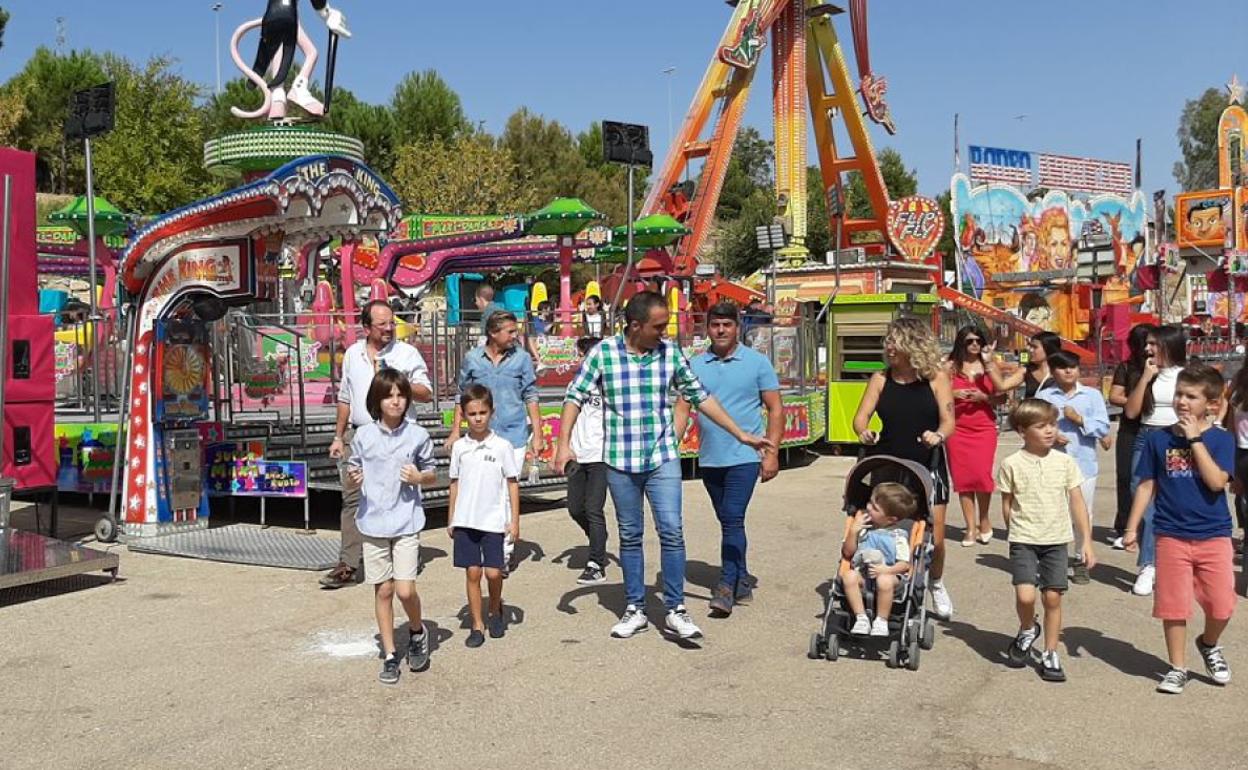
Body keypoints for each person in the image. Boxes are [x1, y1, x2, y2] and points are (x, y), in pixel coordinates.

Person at [553, 291, 774, 641]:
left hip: (661, 458)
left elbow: (700, 396)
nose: (664, 332)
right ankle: (635, 608)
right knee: (630, 535)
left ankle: (675, 609)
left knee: (671, 531)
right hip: (620, 462)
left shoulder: (669, 354)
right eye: (658, 326)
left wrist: (741, 434)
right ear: (636, 325)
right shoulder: (604, 354)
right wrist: (563, 444)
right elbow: (574, 396)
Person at [1124, 364, 1235, 694]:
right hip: (1170, 534)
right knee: (1173, 605)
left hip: (1213, 534)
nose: (1182, 401)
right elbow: (1146, 486)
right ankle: (1177, 667)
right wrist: (1131, 528)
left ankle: (1209, 643)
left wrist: (1195, 439)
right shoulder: (1159, 439)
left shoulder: (1221, 439)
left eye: (1191, 396)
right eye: (1179, 395)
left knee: (1222, 604)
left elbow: (1216, 482)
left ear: (1212, 404)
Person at [675, 302, 784, 616]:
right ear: (706, 328)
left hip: (744, 457)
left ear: (738, 327)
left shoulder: (757, 363)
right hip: (710, 458)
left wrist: (771, 454)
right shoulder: (695, 365)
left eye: (727, 325)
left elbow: (775, 409)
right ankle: (742, 576)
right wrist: (672, 445)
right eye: (714, 325)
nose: (721, 330)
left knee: (733, 517)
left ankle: (725, 585)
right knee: (728, 520)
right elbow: (683, 408)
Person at [322, 300, 432, 589]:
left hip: (398, 435)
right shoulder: (352, 355)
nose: (388, 329)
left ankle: (405, 553)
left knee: (400, 493)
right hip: (360, 434)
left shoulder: (407, 353)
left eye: (391, 323)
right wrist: (338, 435)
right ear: (366, 326)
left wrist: (401, 380)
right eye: (381, 324)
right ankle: (348, 563)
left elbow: (426, 393)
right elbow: (345, 397)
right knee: (352, 497)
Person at [852, 317, 956, 618]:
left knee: (934, 535)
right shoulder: (880, 379)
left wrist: (938, 435)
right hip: (889, 461)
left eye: (893, 340)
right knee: (884, 526)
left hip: (927, 459)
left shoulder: (935, 378)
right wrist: (864, 431)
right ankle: (877, 580)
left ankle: (936, 582)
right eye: (888, 340)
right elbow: (861, 418)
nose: (888, 346)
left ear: (912, 344)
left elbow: (949, 421)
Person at [345, 369, 437, 684]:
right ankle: (388, 654)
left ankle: (416, 630)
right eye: (389, 395)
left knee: (404, 589)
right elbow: (352, 469)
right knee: (383, 590)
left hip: (407, 520)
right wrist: (353, 478)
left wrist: (419, 478)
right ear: (377, 400)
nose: (395, 401)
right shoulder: (364, 435)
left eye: (400, 395)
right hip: (372, 522)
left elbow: (432, 473)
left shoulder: (417, 435)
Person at [997, 399, 1095, 682]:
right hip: (1024, 538)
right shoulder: (1011, 463)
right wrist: (1011, 530)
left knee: (1052, 597)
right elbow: (1007, 502)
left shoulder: (1065, 462)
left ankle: (1051, 652)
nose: (1050, 431)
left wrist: (1086, 541)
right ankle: (1028, 628)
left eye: (1052, 424)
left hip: (1056, 539)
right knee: (1025, 595)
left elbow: (1077, 502)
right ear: (1022, 431)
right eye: (1041, 426)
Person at [449, 311, 542, 574]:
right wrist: (456, 430)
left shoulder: (522, 359)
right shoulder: (472, 359)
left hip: (513, 433)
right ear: (493, 333)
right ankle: (484, 541)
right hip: (481, 435)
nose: (515, 336)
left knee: (506, 490)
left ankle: (503, 552)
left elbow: (531, 394)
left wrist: (538, 433)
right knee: (486, 489)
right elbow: (461, 395)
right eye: (510, 331)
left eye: (516, 331)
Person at [447, 385, 522, 648]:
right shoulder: (459, 448)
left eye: (482, 412)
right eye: (472, 413)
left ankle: (495, 609)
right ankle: (477, 624)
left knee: (493, 573)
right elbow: (454, 483)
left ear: (491, 412)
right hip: (466, 520)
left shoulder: (502, 446)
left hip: (493, 520)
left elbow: (512, 483)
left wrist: (515, 520)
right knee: (473, 573)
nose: (478, 418)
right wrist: (451, 517)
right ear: (464, 415)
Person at [1122, 324, 1187, 596]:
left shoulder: (1187, 375)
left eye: (1153, 344)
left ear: (1169, 345)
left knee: (1174, 501)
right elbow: (1131, 412)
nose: (1147, 349)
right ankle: (1149, 564)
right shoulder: (1143, 372)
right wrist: (1145, 379)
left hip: (1177, 439)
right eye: (1146, 344)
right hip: (1146, 437)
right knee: (1142, 496)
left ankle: (1163, 565)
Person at [1037, 351, 1109, 585]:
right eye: (1063, 367)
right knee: (1052, 512)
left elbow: (1103, 428)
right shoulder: (1045, 396)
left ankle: (1080, 558)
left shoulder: (1092, 395)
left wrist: (1080, 420)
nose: (1069, 371)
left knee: (1082, 514)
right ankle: (1051, 559)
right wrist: (1051, 434)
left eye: (1073, 367)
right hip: (1051, 462)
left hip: (1084, 463)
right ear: (1053, 371)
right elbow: (1032, 424)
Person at [945, 325, 1003, 547]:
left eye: (978, 340)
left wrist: (983, 397)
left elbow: (1002, 397)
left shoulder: (989, 365)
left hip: (983, 427)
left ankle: (984, 520)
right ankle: (970, 527)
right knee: (963, 478)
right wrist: (954, 393)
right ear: (961, 343)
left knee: (981, 475)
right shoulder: (950, 366)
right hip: (957, 428)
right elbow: (935, 393)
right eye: (969, 341)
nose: (975, 345)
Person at [841, 482, 918, 637]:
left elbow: (905, 565)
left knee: (884, 580)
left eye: (875, 508)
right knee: (848, 576)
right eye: (870, 502)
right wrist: (854, 531)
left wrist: (887, 570)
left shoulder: (899, 536)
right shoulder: (864, 528)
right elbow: (848, 552)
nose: (868, 507)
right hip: (864, 574)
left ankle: (881, 620)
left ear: (890, 519)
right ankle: (861, 617)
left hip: (891, 574)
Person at [1108, 324, 1157, 549]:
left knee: (1152, 480)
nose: (1147, 348)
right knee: (1126, 477)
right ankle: (1125, 524)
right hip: (1131, 427)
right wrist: (1136, 402)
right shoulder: (1127, 368)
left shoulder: (1163, 368)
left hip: (1157, 426)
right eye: (1144, 343)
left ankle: (1151, 526)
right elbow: (1115, 396)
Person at [565, 336, 610, 585]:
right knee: (575, 508)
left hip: (601, 455)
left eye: (586, 354)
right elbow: (567, 412)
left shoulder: (610, 385)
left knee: (594, 508)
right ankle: (598, 537)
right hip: (577, 454)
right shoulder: (577, 384)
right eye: (582, 355)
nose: (583, 360)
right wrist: (563, 447)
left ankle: (596, 563)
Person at [984, 330, 1061, 399]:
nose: (1029, 350)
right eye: (1030, 346)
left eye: (1034, 347)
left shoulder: (1063, 370)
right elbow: (1002, 386)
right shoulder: (1026, 370)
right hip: (1032, 414)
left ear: (1049, 349)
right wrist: (988, 362)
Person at [1224, 360, 1248, 563]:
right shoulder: (1240, 379)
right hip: (1242, 453)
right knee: (1243, 503)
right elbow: (1231, 424)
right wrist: (1231, 467)